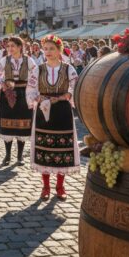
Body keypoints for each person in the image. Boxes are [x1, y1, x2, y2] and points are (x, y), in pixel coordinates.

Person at [29, 35, 80, 200]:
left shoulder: (68, 68)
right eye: (46, 49)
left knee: (62, 147)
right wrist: (37, 98)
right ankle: (45, 187)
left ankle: (60, 186)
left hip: (62, 111)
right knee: (44, 147)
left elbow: (76, 85)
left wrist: (68, 94)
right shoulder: (38, 69)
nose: (48, 52)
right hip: (44, 111)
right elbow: (31, 88)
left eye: (52, 49)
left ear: (59, 51)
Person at [0, 36, 38, 166]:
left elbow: (35, 75)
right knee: (8, 124)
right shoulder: (4, 60)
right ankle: (7, 155)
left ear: (20, 47)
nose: (10, 48)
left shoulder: (28, 60)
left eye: (13, 46)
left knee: (22, 124)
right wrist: (2, 84)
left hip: (24, 94)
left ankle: (19, 157)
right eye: (8, 46)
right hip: (8, 94)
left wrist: (30, 87)